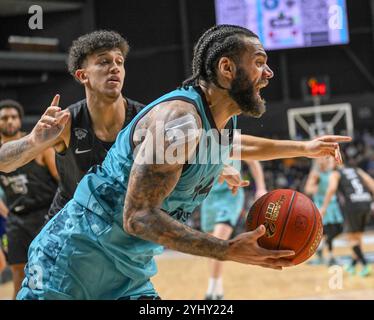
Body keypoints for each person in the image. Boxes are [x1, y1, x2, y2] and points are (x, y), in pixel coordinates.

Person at [17, 24, 350, 300]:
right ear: (226, 68)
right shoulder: (179, 121)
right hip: (73, 259)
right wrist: (227, 249)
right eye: (260, 62)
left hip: (128, 272)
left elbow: (234, 146)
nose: (269, 72)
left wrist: (304, 147)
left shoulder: (221, 120)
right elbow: (139, 218)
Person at [0, 30, 144, 220]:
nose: (115, 67)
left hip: (121, 223)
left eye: (119, 61)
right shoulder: (66, 122)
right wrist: (33, 141)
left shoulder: (145, 119)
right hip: (71, 224)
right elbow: (3, 162)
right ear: (83, 75)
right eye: (104, 61)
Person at [0, 100, 58, 299]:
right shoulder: (1, 154)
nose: (9, 121)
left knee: (50, 267)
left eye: (13, 117)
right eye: (4, 117)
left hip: (43, 214)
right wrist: (8, 214)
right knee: (18, 270)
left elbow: (60, 179)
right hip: (17, 219)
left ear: (20, 120)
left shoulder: (38, 146)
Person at [201, 159, 267, 300]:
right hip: (208, 196)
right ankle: (217, 288)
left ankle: (212, 292)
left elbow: (253, 161)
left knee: (218, 243)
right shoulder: (203, 139)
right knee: (209, 247)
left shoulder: (233, 138)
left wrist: (261, 187)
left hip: (231, 195)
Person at [318, 162, 374, 276]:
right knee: (357, 237)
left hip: (352, 204)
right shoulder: (356, 169)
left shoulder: (335, 173)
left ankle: (364, 265)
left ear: (335, 163)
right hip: (366, 202)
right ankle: (353, 265)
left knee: (351, 238)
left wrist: (323, 207)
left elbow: (331, 189)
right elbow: (371, 182)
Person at [305, 157, 344, 266]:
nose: (323, 161)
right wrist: (314, 188)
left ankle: (321, 248)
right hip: (321, 204)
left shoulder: (332, 172)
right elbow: (307, 189)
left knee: (339, 228)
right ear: (318, 162)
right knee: (328, 230)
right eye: (321, 159)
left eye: (326, 159)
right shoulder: (315, 173)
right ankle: (331, 256)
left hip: (333, 204)